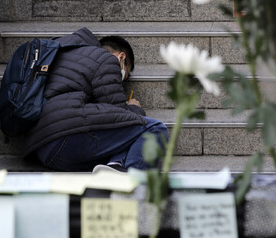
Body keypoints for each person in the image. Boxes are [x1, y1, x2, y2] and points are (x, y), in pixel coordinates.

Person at [22, 27, 168, 172]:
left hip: (47, 152)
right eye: (125, 74)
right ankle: (130, 182)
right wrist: (135, 108)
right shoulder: (106, 59)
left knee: (124, 142)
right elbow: (120, 117)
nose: (121, 80)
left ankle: (116, 166)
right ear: (121, 57)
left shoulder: (65, 53)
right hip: (65, 138)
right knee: (155, 129)